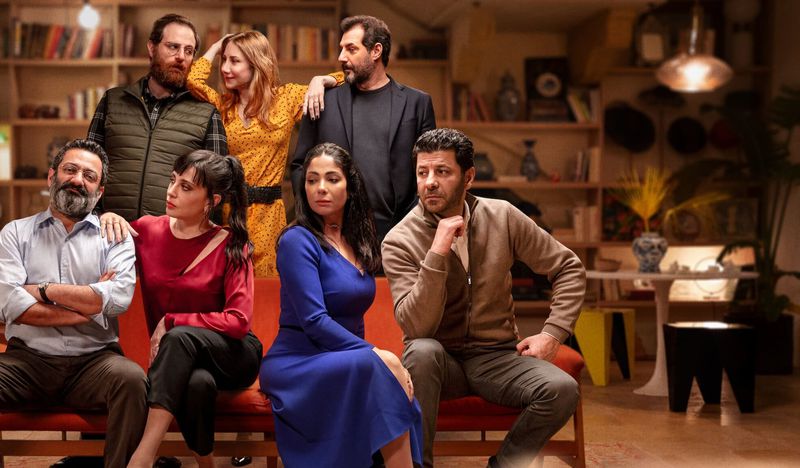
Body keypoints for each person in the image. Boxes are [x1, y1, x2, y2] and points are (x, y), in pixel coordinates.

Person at [381, 129, 586, 468]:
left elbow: (568, 267)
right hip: (438, 363)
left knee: (562, 389)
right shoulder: (399, 240)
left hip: (498, 358)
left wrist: (553, 333)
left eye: (442, 171)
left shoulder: (502, 216)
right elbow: (417, 327)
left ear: (469, 177)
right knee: (421, 351)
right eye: (422, 172)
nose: (430, 182)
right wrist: (437, 252)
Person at [260, 143, 422, 467]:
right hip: (298, 361)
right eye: (312, 180)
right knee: (379, 368)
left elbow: (353, 315)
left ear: (350, 186)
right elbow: (314, 321)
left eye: (332, 179)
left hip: (342, 356)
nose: (320, 188)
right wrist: (376, 354)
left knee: (381, 374)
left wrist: (372, 358)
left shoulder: (358, 239)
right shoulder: (297, 240)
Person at [101, 150, 262, 468]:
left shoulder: (232, 245)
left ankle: (144, 454)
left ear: (211, 201)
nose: (172, 191)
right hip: (178, 363)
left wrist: (172, 321)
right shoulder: (147, 231)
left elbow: (238, 321)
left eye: (186, 187)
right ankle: (207, 465)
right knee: (196, 384)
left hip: (233, 355)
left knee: (177, 337)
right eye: (173, 181)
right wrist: (108, 217)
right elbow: (104, 258)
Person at [0, 139, 147, 467]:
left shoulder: (115, 237)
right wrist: (88, 309)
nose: (78, 180)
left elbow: (117, 299)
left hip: (95, 363)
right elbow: (11, 306)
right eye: (70, 170)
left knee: (132, 380)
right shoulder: (15, 234)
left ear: (100, 190)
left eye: (89, 176)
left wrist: (42, 290)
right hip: (27, 363)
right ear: (51, 176)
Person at [187, 30, 344, 277]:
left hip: (269, 215)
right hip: (229, 213)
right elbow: (192, 80)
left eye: (234, 61)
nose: (225, 68)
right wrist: (218, 46)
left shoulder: (285, 99)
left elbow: (345, 79)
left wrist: (319, 80)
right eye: (224, 60)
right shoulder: (223, 106)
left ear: (256, 64)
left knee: (266, 287)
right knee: (229, 284)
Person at [291, 15, 436, 242]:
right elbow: (300, 166)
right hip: (335, 236)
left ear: (376, 51)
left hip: (400, 235)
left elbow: (429, 168)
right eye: (341, 49)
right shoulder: (321, 99)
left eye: (351, 49)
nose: (341, 57)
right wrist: (314, 220)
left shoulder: (417, 103)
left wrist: (414, 225)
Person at [87, 14, 228, 221]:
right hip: (110, 233)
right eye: (173, 47)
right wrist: (98, 216)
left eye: (188, 51)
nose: (181, 57)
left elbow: (217, 189)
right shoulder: (112, 101)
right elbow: (88, 168)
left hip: (175, 237)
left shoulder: (207, 114)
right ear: (152, 48)